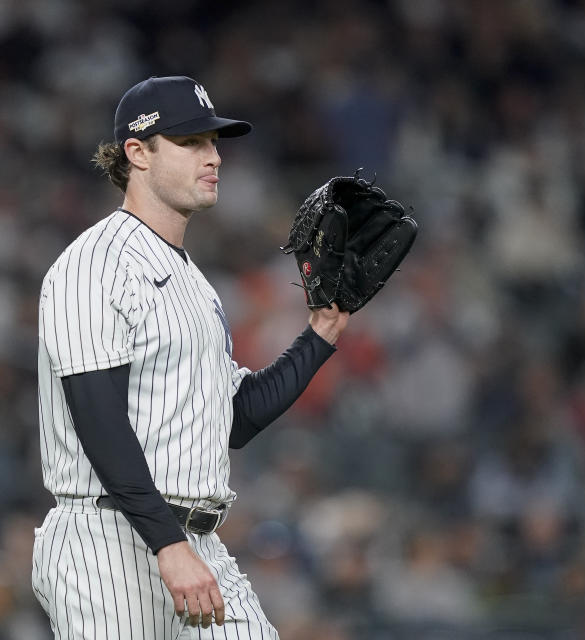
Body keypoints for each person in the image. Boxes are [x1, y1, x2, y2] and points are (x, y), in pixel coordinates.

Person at [31, 75, 349, 639]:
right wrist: (168, 544)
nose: (214, 157)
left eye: (214, 142)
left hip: (193, 537)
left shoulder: (193, 282)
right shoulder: (95, 265)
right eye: (192, 142)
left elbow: (235, 418)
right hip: (106, 538)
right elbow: (98, 423)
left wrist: (320, 333)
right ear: (138, 153)